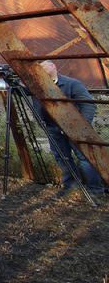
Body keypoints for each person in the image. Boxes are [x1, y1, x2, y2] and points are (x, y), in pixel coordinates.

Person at [30, 60, 106, 196]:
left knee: (84, 158)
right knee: (61, 157)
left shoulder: (72, 84)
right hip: (53, 127)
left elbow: (89, 104)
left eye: (43, 66)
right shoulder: (38, 86)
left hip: (75, 128)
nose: (40, 69)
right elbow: (22, 91)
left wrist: (82, 126)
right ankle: (71, 186)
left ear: (53, 66)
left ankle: (96, 189)